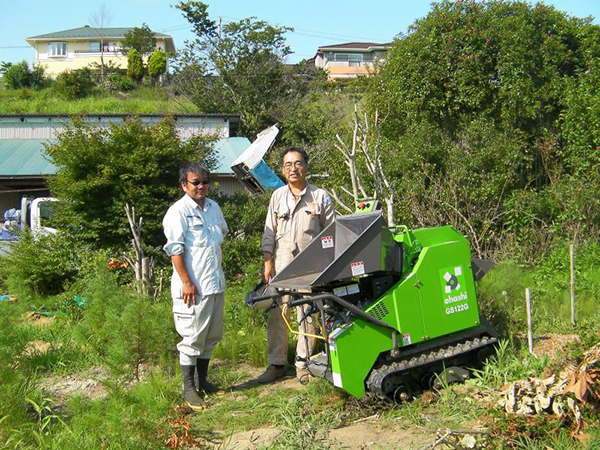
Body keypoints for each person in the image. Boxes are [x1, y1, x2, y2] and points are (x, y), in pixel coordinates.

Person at [258, 147, 335, 383]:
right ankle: (276, 364)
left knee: (307, 314)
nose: (293, 168)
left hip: (309, 266)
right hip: (281, 264)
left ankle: (303, 363)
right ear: (283, 169)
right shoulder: (277, 196)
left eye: (298, 163)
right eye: (288, 165)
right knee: (277, 313)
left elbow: (332, 234)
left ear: (306, 166)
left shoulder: (320, 196)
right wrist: (267, 262)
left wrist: (327, 266)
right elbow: (268, 233)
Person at [163, 162, 228, 410]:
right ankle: (189, 389)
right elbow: (175, 250)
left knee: (210, 336)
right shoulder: (178, 212)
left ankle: (203, 382)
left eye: (204, 181)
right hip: (192, 288)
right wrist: (186, 282)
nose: (201, 186)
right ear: (183, 185)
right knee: (191, 337)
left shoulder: (213, 208)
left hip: (214, 284)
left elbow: (217, 239)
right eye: (195, 182)